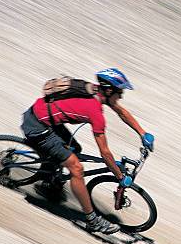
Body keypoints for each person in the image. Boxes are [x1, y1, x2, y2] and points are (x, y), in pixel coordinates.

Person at [20, 68, 155, 234]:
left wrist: (142, 133)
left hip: (41, 116)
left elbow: (121, 112)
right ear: (109, 90)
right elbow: (105, 153)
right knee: (76, 168)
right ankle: (92, 220)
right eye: (119, 92)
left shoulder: (93, 89)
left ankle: (51, 183)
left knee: (75, 150)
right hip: (38, 127)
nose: (121, 97)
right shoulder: (95, 112)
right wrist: (119, 177)